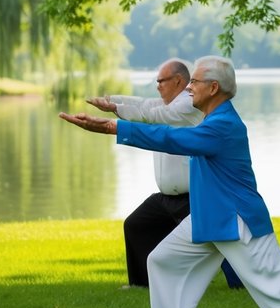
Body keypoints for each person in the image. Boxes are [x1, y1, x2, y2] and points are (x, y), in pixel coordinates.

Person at [60, 55, 280, 308]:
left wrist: (113, 127)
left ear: (213, 88)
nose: (189, 89)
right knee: (161, 261)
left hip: (238, 221)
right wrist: (116, 113)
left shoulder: (223, 125)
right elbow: (161, 117)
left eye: (194, 83)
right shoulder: (210, 119)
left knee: (278, 286)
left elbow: (171, 139)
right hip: (208, 218)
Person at [86, 58, 241, 290]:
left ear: (178, 80)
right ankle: (142, 284)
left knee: (221, 241)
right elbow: (147, 105)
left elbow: (155, 116)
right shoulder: (170, 103)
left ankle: (242, 284)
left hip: (193, 195)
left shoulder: (188, 104)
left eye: (161, 81)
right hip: (167, 198)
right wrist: (112, 102)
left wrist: (115, 113)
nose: (157, 85)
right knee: (137, 225)